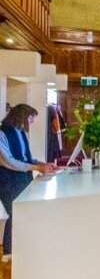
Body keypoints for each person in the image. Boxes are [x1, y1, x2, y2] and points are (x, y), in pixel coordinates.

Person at [0, 104, 57, 261]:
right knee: (13, 214)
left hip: (23, 178)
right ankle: (9, 253)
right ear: (22, 116)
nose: (31, 121)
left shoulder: (21, 133)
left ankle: (23, 249)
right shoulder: (2, 134)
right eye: (31, 117)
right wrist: (37, 167)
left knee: (23, 213)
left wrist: (44, 164)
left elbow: (26, 158)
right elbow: (10, 162)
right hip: (9, 180)